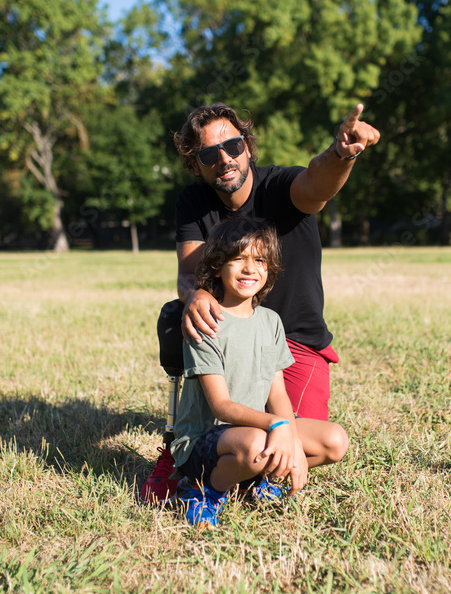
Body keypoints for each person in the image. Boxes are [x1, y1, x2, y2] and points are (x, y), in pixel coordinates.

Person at [141, 100, 379, 504]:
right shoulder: (193, 202)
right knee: (179, 314)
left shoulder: (282, 186)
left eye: (232, 146)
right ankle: (183, 454)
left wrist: (340, 155)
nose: (223, 159)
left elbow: (317, 184)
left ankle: (244, 472)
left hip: (296, 340)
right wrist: (194, 293)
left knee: (301, 441)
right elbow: (187, 273)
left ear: (247, 147)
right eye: (207, 154)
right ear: (195, 165)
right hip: (230, 335)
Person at [168, 217, 348, 527]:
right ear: (216, 266)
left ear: (270, 269)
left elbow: (276, 393)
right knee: (255, 444)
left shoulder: (270, 322)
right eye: (238, 259)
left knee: (334, 440)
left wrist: (290, 437)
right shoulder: (206, 322)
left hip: (257, 432)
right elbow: (220, 407)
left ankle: (256, 482)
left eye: (260, 260)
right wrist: (276, 425)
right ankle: (201, 492)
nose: (250, 268)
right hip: (203, 442)